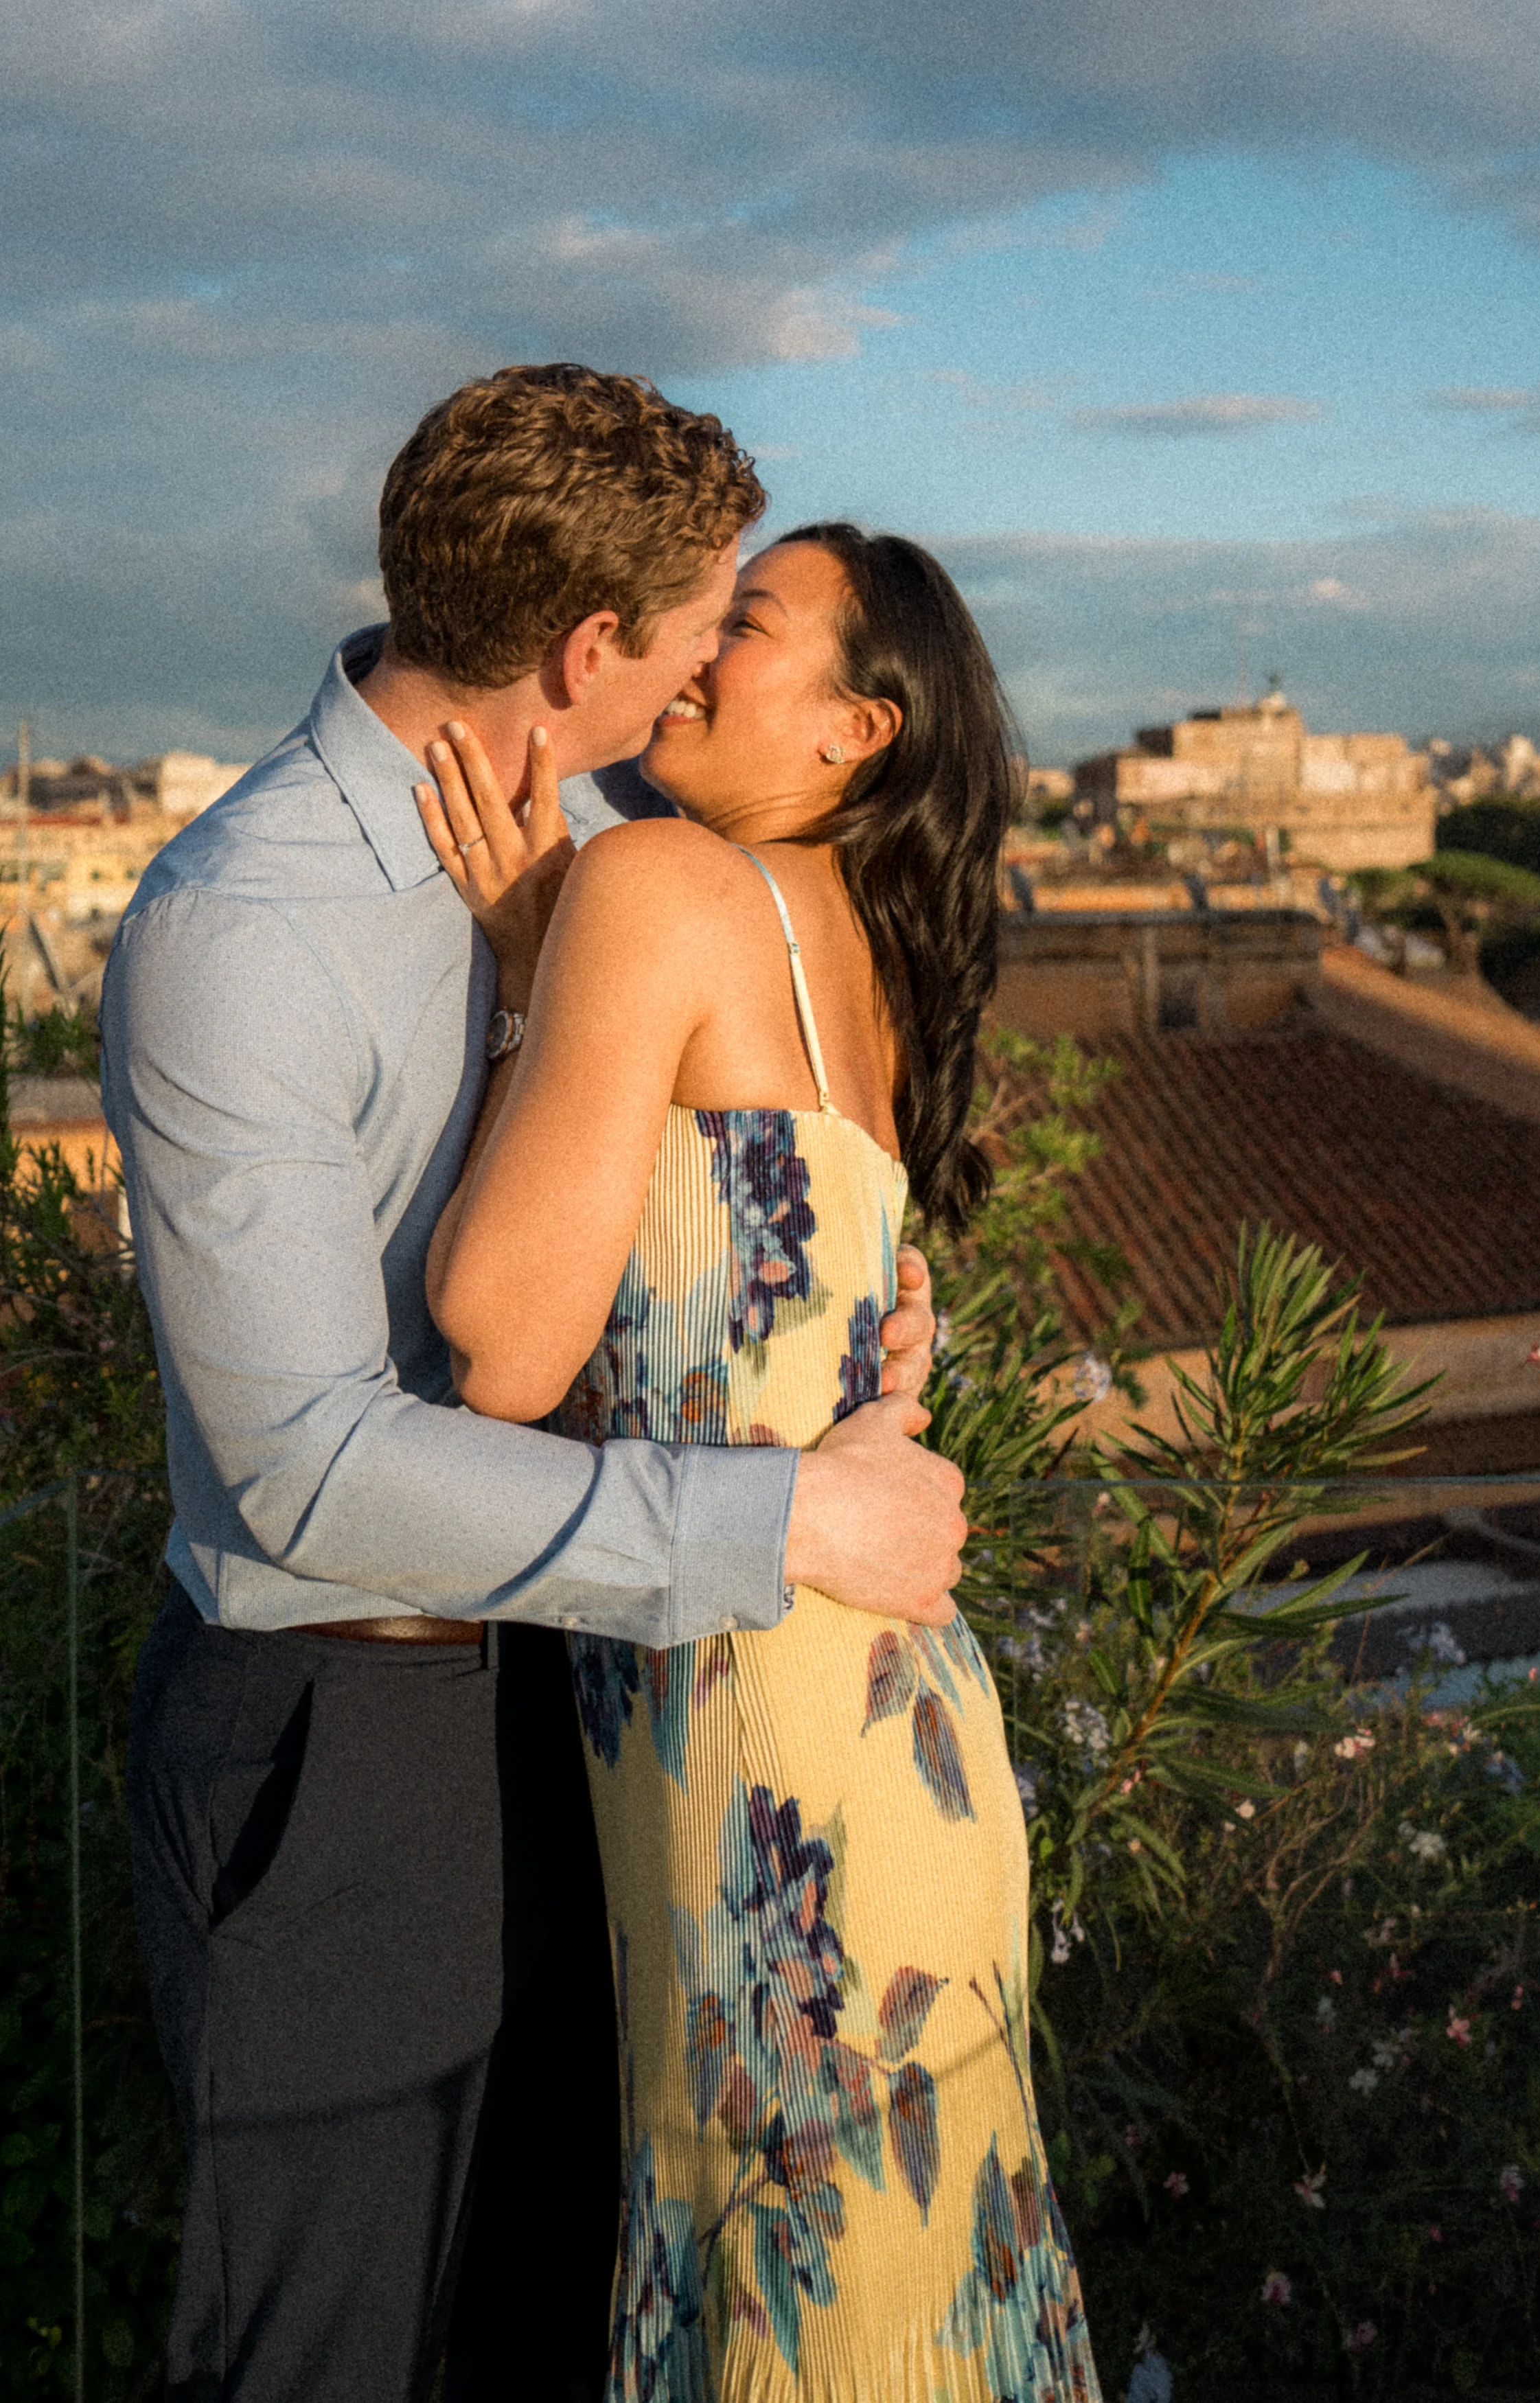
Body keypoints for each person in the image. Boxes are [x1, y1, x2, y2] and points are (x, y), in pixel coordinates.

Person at [102, 367, 967, 2403]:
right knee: (328, 2351)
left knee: (549, 2324)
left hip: (596, 1707)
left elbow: (684, 1219)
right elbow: (303, 1466)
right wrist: (779, 1518)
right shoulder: (239, 926)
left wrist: (841, 1327)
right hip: (346, 1734)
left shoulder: (608, 863)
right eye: (703, 619)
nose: (705, 659)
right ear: (594, 648)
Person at [422, 522, 1103, 2399]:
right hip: (896, 1751)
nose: (695, 649)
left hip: (766, 1763)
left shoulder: (652, 883)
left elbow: (498, 1340)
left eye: (749, 624)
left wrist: (536, 975)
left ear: (854, 732)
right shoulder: (850, 956)